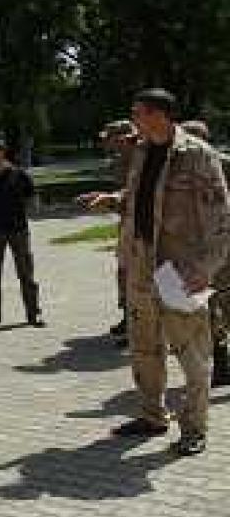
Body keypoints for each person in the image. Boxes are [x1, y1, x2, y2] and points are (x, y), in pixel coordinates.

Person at [81, 89, 230, 456]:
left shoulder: (197, 155)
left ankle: (194, 429)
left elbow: (222, 220)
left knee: (192, 352)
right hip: (142, 264)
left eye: (137, 112)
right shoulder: (143, 150)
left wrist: (205, 270)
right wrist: (113, 200)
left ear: (158, 115)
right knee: (144, 346)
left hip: (180, 270)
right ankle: (152, 415)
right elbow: (139, 195)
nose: (132, 119)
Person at [177, 120, 230, 387]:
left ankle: (221, 362)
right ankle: (221, 364)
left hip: (222, 247)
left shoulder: (220, 164)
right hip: (198, 251)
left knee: (218, 306)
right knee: (207, 309)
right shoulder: (185, 167)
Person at [0, 136, 44, 327]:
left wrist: (24, 210)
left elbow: (33, 199)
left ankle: (33, 313)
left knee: (26, 274)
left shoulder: (20, 174)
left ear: (1, 153)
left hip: (18, 230)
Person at [99, 119, 138, 342]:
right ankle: (129, 319)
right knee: (124, 272)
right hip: (127, 223)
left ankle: (139, 326)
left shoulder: (141, 157)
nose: (107, 143)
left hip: (141, 227)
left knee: (135, 274)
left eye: (110, 139)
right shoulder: (121, 160)